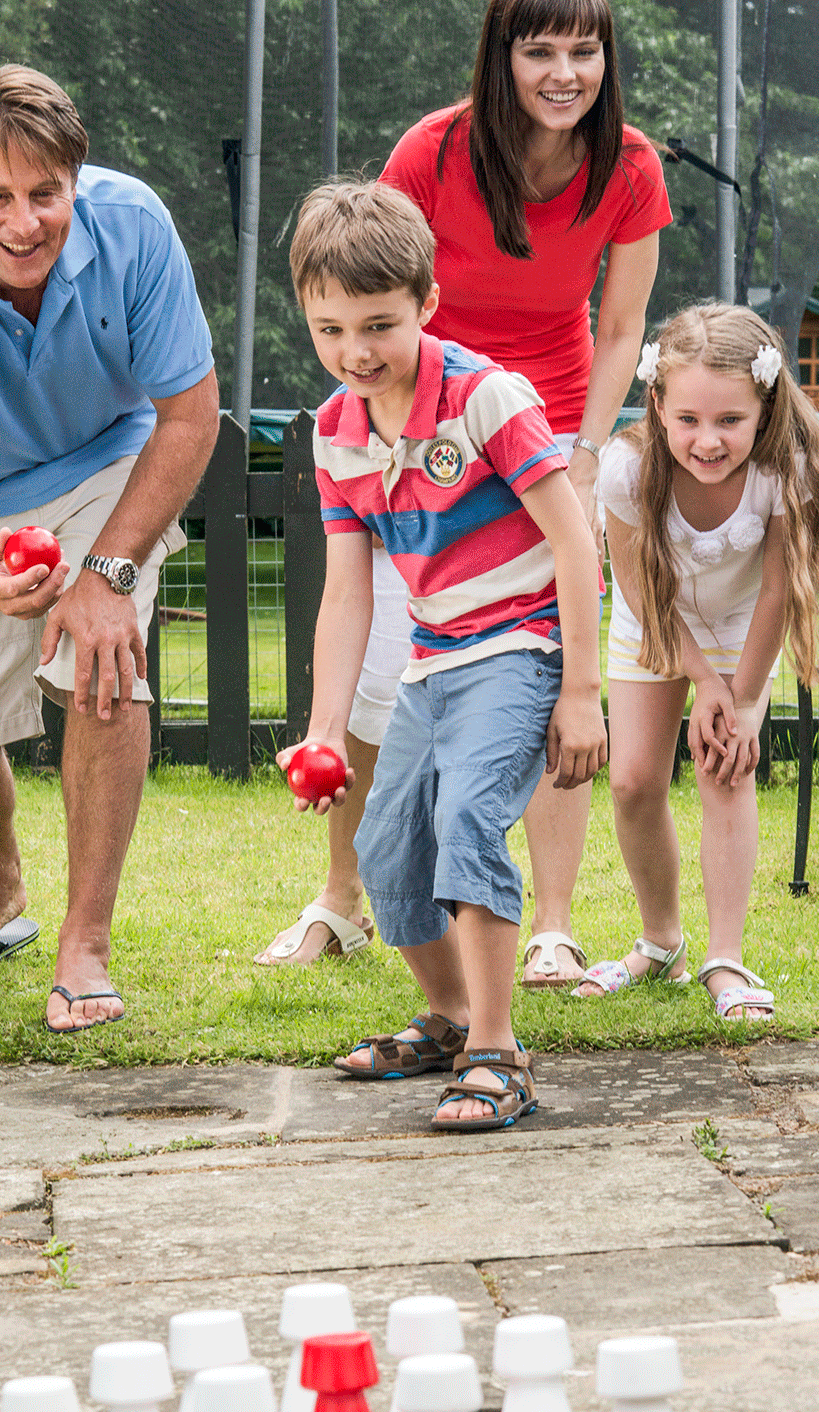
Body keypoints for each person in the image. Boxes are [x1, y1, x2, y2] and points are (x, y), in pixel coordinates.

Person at [256, 0, 669, 986]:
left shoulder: (630, 165)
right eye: (541, 50)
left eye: (585, 49)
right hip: (425, 431)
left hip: (541, 435)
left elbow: (621, 327)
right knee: (381, 675)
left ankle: (553, 926)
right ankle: (343, 900)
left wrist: (582, 447)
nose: (564, 72)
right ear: (502, 55)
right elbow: (371, 281)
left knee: (540, 679)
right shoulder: (432, 154)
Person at [0, 65, 219, 1033]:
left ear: (76, 182)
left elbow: (189, 416)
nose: (24, 224)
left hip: (114, 462)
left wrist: (107, 574)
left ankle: (85, 944)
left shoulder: (135, 225)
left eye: (46, 194)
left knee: (102, 666)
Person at [281, 180, 607, 1129]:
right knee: (387, 850)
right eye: (329, 329)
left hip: (523, 646)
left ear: (427, 303)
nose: (355, 353)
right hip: (436, 657)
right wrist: (325, 730)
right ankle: (453, 1017)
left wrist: (580, 692)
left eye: (378, 325)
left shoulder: (487, 397)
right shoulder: (336, 431)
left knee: (467, 821)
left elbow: (576, 539)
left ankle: (503, 1055)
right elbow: (349, 591)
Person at [572, 303, 819, 1018]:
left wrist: (744, 700)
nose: (707, 440)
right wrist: (698, 678)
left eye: (729, 420)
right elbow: (642, 595)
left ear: (763, 408)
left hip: (739, 623)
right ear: (659, 405)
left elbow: (780, 593)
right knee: (634, 782)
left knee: (727, 768)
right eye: (689, 419)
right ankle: (661, 940)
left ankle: (724, 957)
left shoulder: (784, 471)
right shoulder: (627, 470)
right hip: (656, 621)